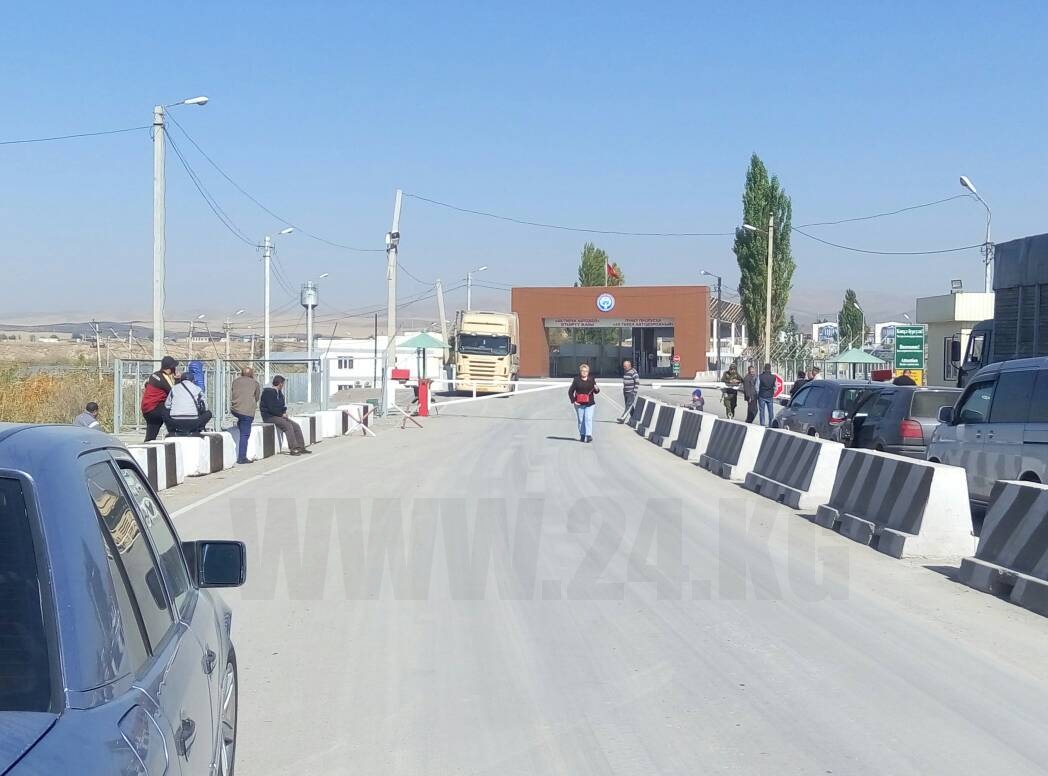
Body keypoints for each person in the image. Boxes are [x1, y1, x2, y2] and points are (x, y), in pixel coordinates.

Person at [260, 375, 310, 455]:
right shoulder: (268, 392)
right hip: (269, 416)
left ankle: (301, 447)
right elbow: (271, 408)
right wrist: (281, 414)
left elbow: (281, 405)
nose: (283, 385)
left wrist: (284, 412)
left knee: (296, 426)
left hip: (278, 416)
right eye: (283, 383)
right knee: (287, 425)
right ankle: (293, 448)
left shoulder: (279, 393)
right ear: (280, 384)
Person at [141, 356, 179, 442]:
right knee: (173, 414)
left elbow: (146, 385)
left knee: (151, 434)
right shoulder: (164, 378)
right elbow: (174, 392)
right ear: (170, 368)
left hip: (147, 409)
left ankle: (148, 445)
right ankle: (174, 437)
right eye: (174, 367)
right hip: (154, 408)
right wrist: (177, 380)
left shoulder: (155, 375)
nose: (175, 369)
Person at [231, 366, 261, 464]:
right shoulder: (255, 383)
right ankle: (242, 458)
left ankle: (239, 424)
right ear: (252, 374)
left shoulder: (235, 381)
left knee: (241, 420)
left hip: (235, 409)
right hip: (247, 412)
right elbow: (257, 397)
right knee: (245, 434)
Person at [568, 363, 600, 443]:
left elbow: (596, 391)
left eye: (586, 371)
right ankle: (582, 434)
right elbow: (570, 391)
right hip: (579, 403)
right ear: (580, 371)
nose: (584, 372)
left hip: (590, 403)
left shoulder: (592, 379)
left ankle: (588, 435)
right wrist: (574, 401)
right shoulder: (576, 380)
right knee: (581, 420)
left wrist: (597, 389)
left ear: (588, 372)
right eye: (583, 371)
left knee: (588, 419)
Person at [757, 363, 777, 427]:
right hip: (770, 395)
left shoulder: (760, 376)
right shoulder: (773, 377)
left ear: (764, 368)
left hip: (762, 395)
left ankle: (762, 424)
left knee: (762, 411)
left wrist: (758, 394)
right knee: (771, 411)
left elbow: (757, 387)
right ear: (770, 368)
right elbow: (776, 387)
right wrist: (772, 392)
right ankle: (770, 424)